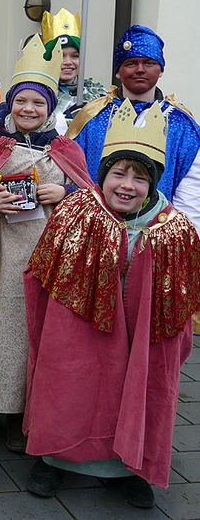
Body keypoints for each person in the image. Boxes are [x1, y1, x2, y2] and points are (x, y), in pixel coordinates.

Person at [23, 99, 200, 507]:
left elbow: (183, 309)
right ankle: (54, 457)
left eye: (140, 179)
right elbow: (43, 274)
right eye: (118, 173)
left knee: (136, 390)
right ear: (102, 175)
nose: (127, 185)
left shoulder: (172, 230)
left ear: (153, 185)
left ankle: (127, 466)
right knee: (69, 384)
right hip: (78, 330)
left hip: (142, 337)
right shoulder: (76, 212)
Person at [0, 36, 92, 450]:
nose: (28, 109)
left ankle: (18, 413)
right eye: (21, 101)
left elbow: (91, 201)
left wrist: (65, 196)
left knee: (31, 334)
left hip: (43, 257)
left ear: (50, 108)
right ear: (9, 104)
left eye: (38, 103)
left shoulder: (66, 151)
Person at [69, 25, 200, 231]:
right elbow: (71, 174)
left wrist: (185, 241)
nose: (140, 69)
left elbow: (191, 195)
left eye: (149, 63)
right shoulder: (92, 117)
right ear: (119, 72)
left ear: (161, 70)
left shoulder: (182, 125)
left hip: (158, 236)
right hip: (95, 232)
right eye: (131, 63)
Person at [40, 8, 105, 118]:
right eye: (61, 56)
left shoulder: (97, 95)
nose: (68, 62)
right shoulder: (38, 93)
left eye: (75, 56)